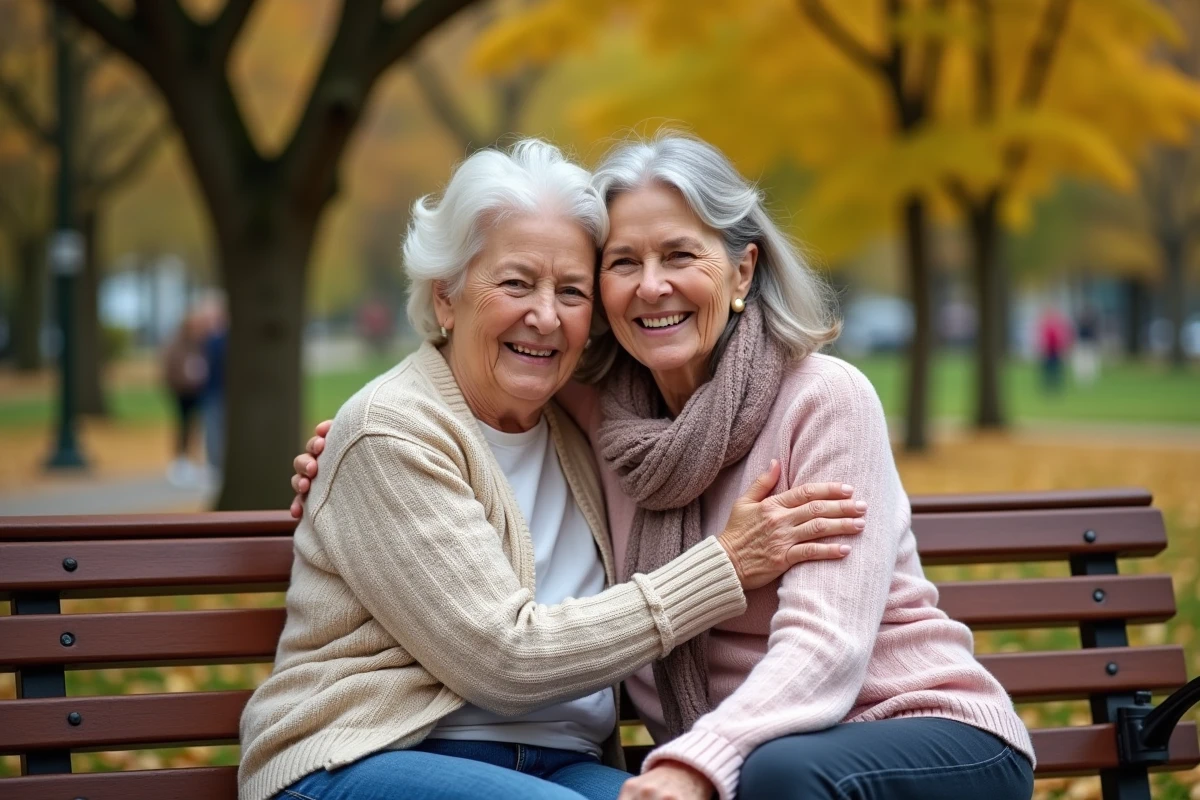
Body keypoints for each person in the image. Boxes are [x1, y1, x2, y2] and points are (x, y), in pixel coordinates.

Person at [292, 133, 1035, 800]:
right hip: (392, 750)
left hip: (896, 725)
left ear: (743, 271)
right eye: (623, 264)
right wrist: (347, 456)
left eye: (679, 255)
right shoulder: (599, 419)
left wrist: (696, 761)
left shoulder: (821, 400)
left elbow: (826, 647)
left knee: (777, 773)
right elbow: (439, 409)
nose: (652, 286)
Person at [160, 307, 209, 486]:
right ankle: (180, 462)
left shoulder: (199, 343)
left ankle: (192, 461)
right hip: (182, 392)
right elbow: (170, 367)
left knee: (196, 428)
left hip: (197, 392)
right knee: (183, 426)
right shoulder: (176, 344)